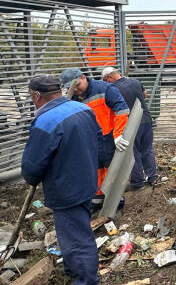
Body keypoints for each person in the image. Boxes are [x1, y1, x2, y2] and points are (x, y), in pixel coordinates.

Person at [21, 75, 101, 285]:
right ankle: (74, 269)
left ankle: (85, 280)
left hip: (66, 189)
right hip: (87, 180)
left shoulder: (45, 121)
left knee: (77, 239)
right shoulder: (82, 108)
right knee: (78, 231)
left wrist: (32, 177)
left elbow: (31, 166)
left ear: (37, 95)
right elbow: (98, 137)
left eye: (31, 96)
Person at [60, 68, 129, 212]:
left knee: (110, 166)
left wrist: (118, 134)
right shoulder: (71, 97)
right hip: (88, 139)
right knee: (94, 168)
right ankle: (97, 198)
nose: (76, 90)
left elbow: (122, 110)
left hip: (107, 136)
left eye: (77, 85)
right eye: (72, 87)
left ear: (84, 77)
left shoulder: (105, 89)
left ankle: (116, 198)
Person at [102, 67, 158, 190]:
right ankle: (152, 177)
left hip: (131, 124)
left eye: (105, 80)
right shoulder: (135, 81)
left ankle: (138, 183)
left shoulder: (112, 89)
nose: (106, 83)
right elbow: (144, 94)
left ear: (110, 77)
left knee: (133, 153)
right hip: (146, 119)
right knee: (147, 149)